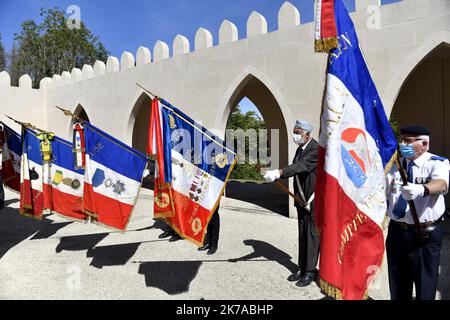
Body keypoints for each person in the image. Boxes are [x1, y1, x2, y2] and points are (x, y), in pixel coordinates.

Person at [385, 125, 449, 300]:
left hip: (424, 235)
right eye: (402, 139)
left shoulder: (436, 163)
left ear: (424, 144)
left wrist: (422, 189)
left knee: (425, 285)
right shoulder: (393, 166)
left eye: (409, 140)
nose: (403, 143)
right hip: (397, 231)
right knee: (398, 284)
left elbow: (441, 184)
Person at [263, 120, 319, 287]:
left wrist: (279, 172)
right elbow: (296, 166)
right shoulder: (300, 149)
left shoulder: (315, 149)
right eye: (295, 131)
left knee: (311, 237)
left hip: (313, 201)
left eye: (298, 132)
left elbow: (301, 166)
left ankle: (310, 271)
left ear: (308, 134)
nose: (295, 135)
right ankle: (302, 268)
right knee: (302, 235)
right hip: (301, 200)